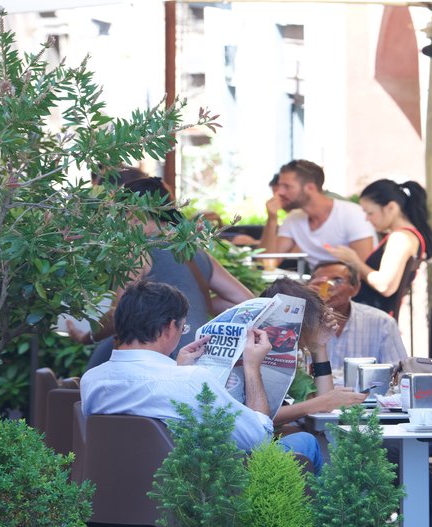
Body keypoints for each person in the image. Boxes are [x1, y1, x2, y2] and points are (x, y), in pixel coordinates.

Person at [79, 279, 322, 471]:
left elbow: (152, 402)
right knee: (307, 443)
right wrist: (252, 367)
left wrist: (178, 367)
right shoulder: (191, 381)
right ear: (168, 327)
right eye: (182, 328)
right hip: (197, 492)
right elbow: (259, 440)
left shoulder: (92, 379)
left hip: (122, 488)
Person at [68, 175, 255, 369]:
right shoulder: (196, 252)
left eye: (119, 213)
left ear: (132, 212)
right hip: (200, 357)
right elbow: (245, 302)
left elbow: (119, 316)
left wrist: (87, 336)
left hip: (161, 359)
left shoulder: (138, 251)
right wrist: (194, 305)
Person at [232, 277, 368, 427]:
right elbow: (252, 418)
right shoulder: (244, 352)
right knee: (306, 439)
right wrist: (321, 403)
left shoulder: (284, 361)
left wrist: (319, 347)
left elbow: (323, 406)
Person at [327, 179, 432, 317]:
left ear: (391, 207)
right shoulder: (404, 236)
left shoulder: (400, 238)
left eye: (370, 213)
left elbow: (385, 286)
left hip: (372, 318)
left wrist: (354, 261)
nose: (367, 219)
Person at [259, 160, 376, 267]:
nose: (279, 192)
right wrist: (272, 219)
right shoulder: (293, 218)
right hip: (316, 286)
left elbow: (363, 269)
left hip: (350, 287)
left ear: (310, 188)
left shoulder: (352, 214)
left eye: (287, 186)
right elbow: (268, 263)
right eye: (280, 186)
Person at [308, 260, 408, 369]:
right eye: (320, 281)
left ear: (355, 288)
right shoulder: (302, 320)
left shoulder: (382, 322)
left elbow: (398, 371)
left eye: (337, 280)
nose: (327, 286)